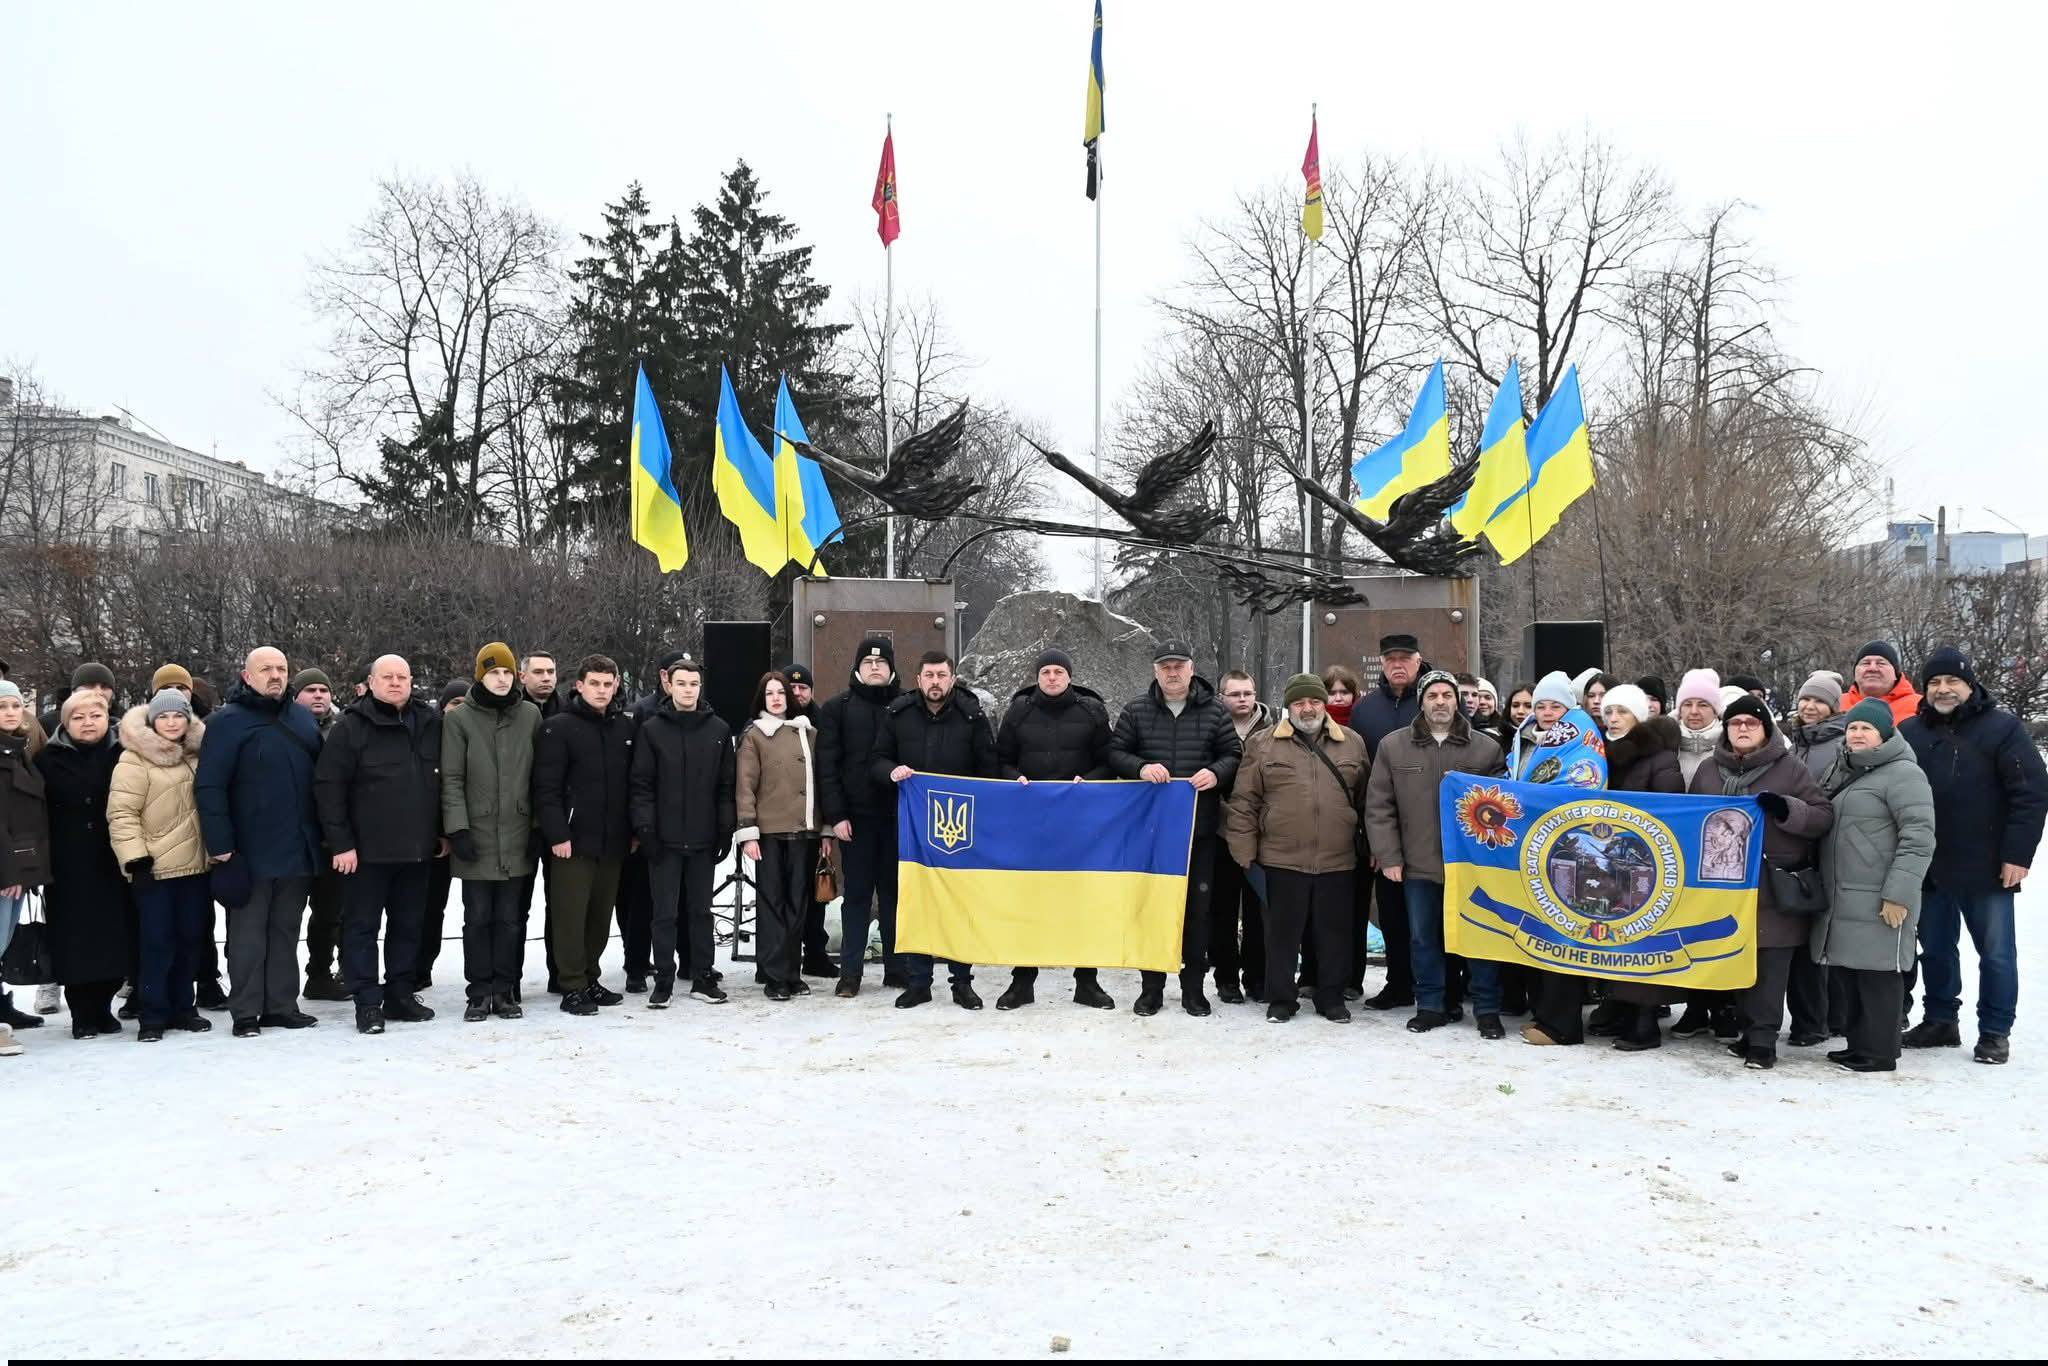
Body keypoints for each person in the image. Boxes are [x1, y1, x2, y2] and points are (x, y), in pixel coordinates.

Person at [1900, 646, 2048, 1065]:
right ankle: (1941, 1018)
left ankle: (1995, 1030)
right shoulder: (1912, 731)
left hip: (1988, 865)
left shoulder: (2002, 729)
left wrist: (2017, 855)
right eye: (1934, 683)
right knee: (1935, 948)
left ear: (1970, 685)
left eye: (1952, 681)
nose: (1943, 689)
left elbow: (2031, 794)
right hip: (1929, 863)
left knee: (1997, 953)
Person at [1689, 694, 1834, 1070]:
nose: (1742, 729)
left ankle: (1764, 1041)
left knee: (1770, 965)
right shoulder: (1708, 769)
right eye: (1735, 723)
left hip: (1773, 881)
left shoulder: (1790, 769)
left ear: (1766, 730)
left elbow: (1821, 816)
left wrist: (1788, 809)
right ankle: (1746, 1032)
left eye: (1751, 723)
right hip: (1722, 883)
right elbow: (1688, 818)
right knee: (1735, 960)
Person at [1365, 669, 1507, 1037]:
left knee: (1480, 936)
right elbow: (1379, 806)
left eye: (1447, 695)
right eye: (1433, 696)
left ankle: (1487, 1008)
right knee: (1424, 938)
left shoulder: (1485, 748)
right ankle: (1431, 1004)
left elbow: (1505, 807)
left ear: (1457, 701)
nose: (1440, 702)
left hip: (1473, 866)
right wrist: (1390, 856)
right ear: (1421, 701)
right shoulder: (1393, 746)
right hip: (1419, 864)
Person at [194, 646, 324, 1038]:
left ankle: (282, 1005)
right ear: (246, 676)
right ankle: (246, 1010)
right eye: (266, 668)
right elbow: (210, 786)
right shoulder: (226, 723)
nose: (275, 675)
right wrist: (221, 844)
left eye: (282, 668)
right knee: (248, 933)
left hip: (298, 845)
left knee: (286, 929)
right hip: (247, 850)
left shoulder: (302, 719)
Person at [1108, 640, 1242, 1018]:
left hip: (1198, 831)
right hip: (1150, 831)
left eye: (1178, 665)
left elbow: (1233, 755)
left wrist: (1215, 773)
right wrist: (1139, 767)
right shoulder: (1136, 710)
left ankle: (1193, 989)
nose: (1172, 672)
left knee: (1197, 912)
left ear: (1191, 668)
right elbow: (1115, 752)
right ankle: (1151, 988)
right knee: (1153, 908)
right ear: (1155, 671)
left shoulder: (1215, 710)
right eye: (1165, 666)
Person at [1226, 673, 1369, 1024]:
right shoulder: (1263, 744)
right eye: (1299, 702)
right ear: (1288, 707)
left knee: (1334, 934)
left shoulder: (1352, 743)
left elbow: (1368, 800)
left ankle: (1331, 997)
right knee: (1280, 935)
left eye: (1314, 701)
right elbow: (1244, 801)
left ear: (1325, 704)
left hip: (1337, 859)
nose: (1308, 708)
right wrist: (1244, 853)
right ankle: (1281, 999)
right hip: (1280, 858)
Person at [315, 654, 446, 1035]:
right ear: (371, 683)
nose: (395, 683)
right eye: (386, 677)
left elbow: (441, 782)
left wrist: (441, 832)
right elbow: (329, 788)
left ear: (411, 682)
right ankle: (368, 1001)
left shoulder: (429, 723)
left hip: (418, 848)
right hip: (365, 852)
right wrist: (340, 843)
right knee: (361, 928)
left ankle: (400, 994)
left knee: (409, 926)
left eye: (402, 677)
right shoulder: (351, 728)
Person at [1815, 699, 1936, 1073]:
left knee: (1879, 974)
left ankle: (1880, 1051)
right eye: (1852, 727)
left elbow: (1919, 837)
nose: (1857, 733)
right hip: (1844, 891)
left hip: (1880, 893)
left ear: (1885, 733)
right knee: (1851, 971)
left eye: (1866, 728)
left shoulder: (1904, 774)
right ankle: (1858, 1045)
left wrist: (1899, 893)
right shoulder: (1845, 769)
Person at [875, 650, 999, 1009]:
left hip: (960, 827)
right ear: (918, 679)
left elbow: (988, 768)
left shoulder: (972, 715)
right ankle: (918, 981)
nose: (935, 682)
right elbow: (876, 759)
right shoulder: (899, 714)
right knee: (917, 902)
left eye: (941, 675)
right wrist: (891, 772)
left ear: (952, 678)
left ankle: (962, 982)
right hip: (914, 827)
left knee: (960, 904)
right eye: (928, 675)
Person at [994, 648, 1116, 1011]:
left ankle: (1087, 981)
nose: (1051, 677)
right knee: (1028, 898)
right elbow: (1000, 760)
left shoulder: (1092, 711)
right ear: (1037, 676)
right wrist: (1014, 777)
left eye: (1058, 671)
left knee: (1082, 900)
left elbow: (1109, 761)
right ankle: (1022, 980)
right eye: (1045, 671)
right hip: (1030, 821)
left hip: (1079, 822)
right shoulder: (1019, 710)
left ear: (1069, 677)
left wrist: (1088, 780)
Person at [441, 642, 542, 1023]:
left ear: (515, 676)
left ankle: (505, 989)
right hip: (478, 835)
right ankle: (479, 991)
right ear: (480, 676)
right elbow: (451, 778)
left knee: (510, 918)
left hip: (517, 832)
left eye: (505, 672)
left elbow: (539, 777)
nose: (499, 679)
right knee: (478, 917)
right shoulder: (460, 719)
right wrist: (458, 828)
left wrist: (536, 827)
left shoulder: (530, 715)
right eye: (492, 672)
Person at [107, 689, 216, 1043]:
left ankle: (184, 1008)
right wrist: (135, 858)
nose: (172, 722)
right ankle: (152, 1014)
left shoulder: (199, 756)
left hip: (196, 868)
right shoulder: (134, 760)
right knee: (157, 943)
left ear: (188, 719)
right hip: (154, 869)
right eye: (164, 716)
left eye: (178, 715)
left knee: (190, 941)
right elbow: (122, 814)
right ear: (153, 721)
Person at [533, 654, 636, 1017]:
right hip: (572, 842)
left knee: (599, 915)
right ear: (579, 685)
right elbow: (546, 788)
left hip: (612, 840)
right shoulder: (558, 727)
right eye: (595, 683)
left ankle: (591, 975)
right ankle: (572, 983)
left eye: (608, 684)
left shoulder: (625, 728)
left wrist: (632, 831)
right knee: (569, 916)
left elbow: (631, 786)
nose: (602, 690)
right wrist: (557, 834)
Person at [630, 658, 735, 1008]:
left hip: (704, 837)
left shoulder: (719, 730)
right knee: (664, 912)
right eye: (681, 683)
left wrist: (725, 828)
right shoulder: (652, 729)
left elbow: (725, 786)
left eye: (693, 684)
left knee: (701, 911)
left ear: (699, 688)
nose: (688, 689)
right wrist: (646, 829)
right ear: (669, 686)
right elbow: (642, 785)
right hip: (664, 839)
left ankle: (703, 975)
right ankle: (663, 978)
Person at [1591, 684, 1685, 1051]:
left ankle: (1645, 1022)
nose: (1613, 719)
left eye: (1622, 712)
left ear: (1639, 717)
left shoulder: (1658, 757)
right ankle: (1621, 1009)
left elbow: (1668, 807)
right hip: (1605, 860)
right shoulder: (1601, 753)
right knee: (1614, 936)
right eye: (1609, 712)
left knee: (1642, 941)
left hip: (1642, 861)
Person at [36, 690, 130, 1037]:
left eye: (95, 715)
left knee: (114, 935)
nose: (88, 723)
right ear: (65, 723)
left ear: (108, 718)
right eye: (78, 717)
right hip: (67, 861)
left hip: (113, 858)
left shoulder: (124, 754)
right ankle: (81, 1012)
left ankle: (104, 1006)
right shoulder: (48, 758)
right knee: (74, 938)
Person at [818, 637, 905, 996]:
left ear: (891, 669)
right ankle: (850, 973)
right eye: (868, 663)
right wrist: (836, 815)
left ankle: (897, 968)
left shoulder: (905, 706)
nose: (874, 667)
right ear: (857, 668)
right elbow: (828, 767)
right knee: (856, 897)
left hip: (899, 819)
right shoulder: (837, 708)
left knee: (894, 895)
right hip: (856, 820)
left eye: (881, 663)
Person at [735, 671, 826, 1002]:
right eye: (769, 693)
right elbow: (745, 787)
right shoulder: (755, 736)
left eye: (781, 693)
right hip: (770, 833)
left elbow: (821, 782)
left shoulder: (808, 733)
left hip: (804, 832)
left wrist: (824, 829)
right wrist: (748, 833)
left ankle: (792, 972)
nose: (776, 698)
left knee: (798, 905)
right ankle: (774, 976)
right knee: (772, 904)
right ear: (762, 699)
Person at [1353, 634, 1424, 1011]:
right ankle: (1398, 983)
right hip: (1385, 826)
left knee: (1430, 915)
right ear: (1381, 663)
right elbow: (1364, 778)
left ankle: (1437, 985)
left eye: (1405, 658)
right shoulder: (1366, 710)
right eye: (1390, 659)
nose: (1398, 665)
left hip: (1429, 827)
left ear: (1418, 660)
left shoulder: (1434, 701)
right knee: (1394, 913)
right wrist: (1376, 840)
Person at [1212, 669, 1273, 1003]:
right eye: (1234, 694)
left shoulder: (1275, 728)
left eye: (1247, 693)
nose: (1242, 700)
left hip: (1261, 834)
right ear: (1222, 696)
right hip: (1220, 830)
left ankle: (1257, 977)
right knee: (1221, 910)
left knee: (1258, 910)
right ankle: (1226, 978)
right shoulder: (1211, 726)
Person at [289, 668, 350, 1002]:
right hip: (295, 837)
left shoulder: (344, 729)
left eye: (323, 690)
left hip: (333, 840)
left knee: (332, 913)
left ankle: (321, 974)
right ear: (296, 695)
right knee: (288, 915)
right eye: (309, 689)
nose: (318, 695)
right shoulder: (286, 726)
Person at [779, 662, 836, 980]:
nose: (797, 692)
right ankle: (775, 960)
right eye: (792, 687)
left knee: (816, 896)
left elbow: (829, 776)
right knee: (777, 896)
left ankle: (815, 954)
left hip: (814, 824)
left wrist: (828, 825)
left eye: (803, 688)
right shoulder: (766, 723)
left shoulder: (824, 723)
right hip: (777, 825)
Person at [0, 680, 49, 1049]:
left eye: (15, 705)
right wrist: (9, 871)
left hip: (20, 865)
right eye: (2, 706)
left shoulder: (18, 751)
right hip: (6, 869)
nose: (11, 712)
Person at [517, 649, 564, 993]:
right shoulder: (512, 712)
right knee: (515, 908)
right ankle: (509, 980)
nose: (546, 677)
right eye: (538, 672)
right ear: (523, 677)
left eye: (550, 672)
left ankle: (561, 973)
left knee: (560, 904)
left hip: (561, 823)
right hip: (519, 823)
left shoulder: (567, 712)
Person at [1672, 668, 1725, 787]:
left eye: (1703, 705)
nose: (1694, 711)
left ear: (1715, 710)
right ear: (1680, 710)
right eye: (1687, 704)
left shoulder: (1731, 746)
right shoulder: (1662, 743)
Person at [1851, 641, 1922, 727]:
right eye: (1866, 663)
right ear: (1855, 673)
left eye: (1881, 663)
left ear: (1896, 673)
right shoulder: (1836, 705)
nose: (1872, 668)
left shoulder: (1921, 706)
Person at [1321, 665, 1360, 729]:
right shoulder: (1315, 724)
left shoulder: (1365, 720)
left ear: (1354, 695)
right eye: (1332, 693)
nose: (1338, 698)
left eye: (1345, 693)